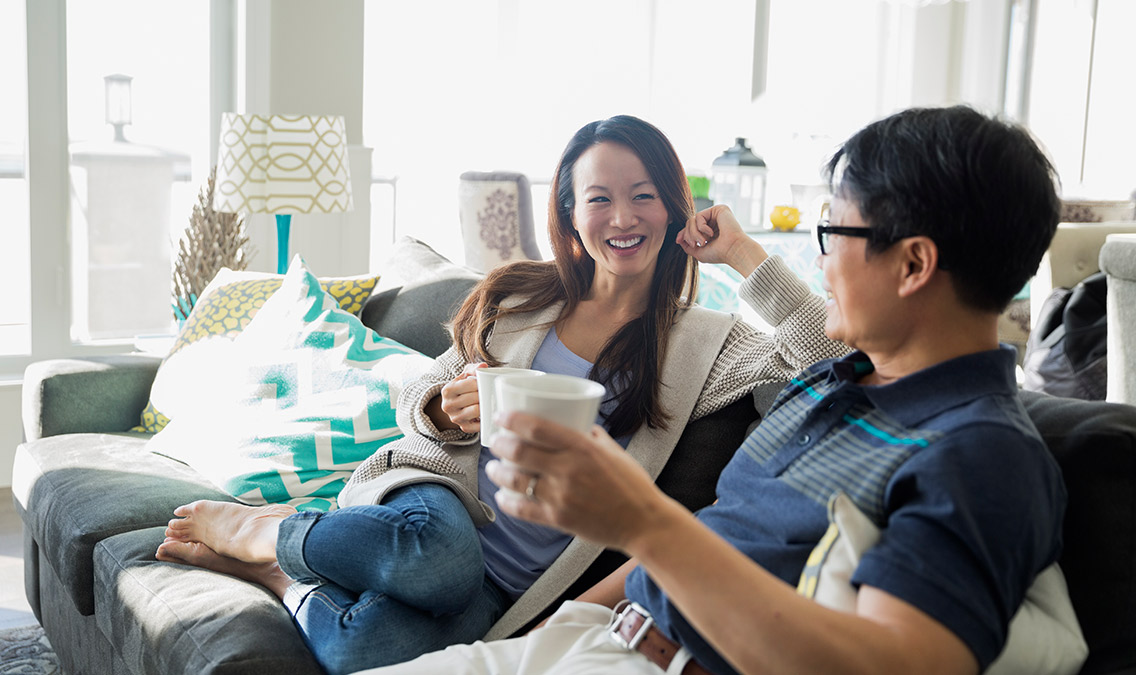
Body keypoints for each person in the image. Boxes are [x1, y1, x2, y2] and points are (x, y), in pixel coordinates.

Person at [362, 105, 1068, 675]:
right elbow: (715, 530)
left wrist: (640, 518)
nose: (822, 261)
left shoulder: (981, 453)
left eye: (833, 230)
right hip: (595, 631)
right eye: (600, 198)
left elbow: (899, 661)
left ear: (913, 262)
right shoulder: (836, 385)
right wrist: (541, 635)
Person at [155, 115, 846, 674]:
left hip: (512, 582)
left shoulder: (709, 344)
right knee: (437, 555)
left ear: (673, 205)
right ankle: (266, 527)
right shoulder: (522, 295)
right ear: (571, 214)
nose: (623, 215)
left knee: (366, 651)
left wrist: (746, 255)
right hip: (436, 502)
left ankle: (285, 576)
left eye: (643, 193)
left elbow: (837, 355)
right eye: (599, 197)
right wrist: (442, 407)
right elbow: (418, 394)